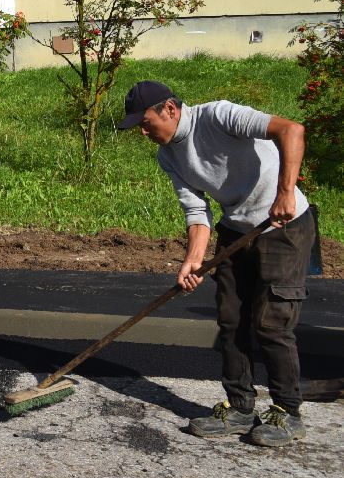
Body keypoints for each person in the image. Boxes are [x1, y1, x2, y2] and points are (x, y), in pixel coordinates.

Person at [120, 80, 315, 447]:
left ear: (170, 109)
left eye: (146, 123)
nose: (144, 132)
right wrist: (192, 262)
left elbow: (291, 129)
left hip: (283, 224)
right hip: (236, 228)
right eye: (139, 127)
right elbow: (197, 211)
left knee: (271, 323)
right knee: (231, 319)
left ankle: (288, 412)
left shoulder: (220, 116)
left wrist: (286, 192)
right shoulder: (168, 156)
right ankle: (241, 408)